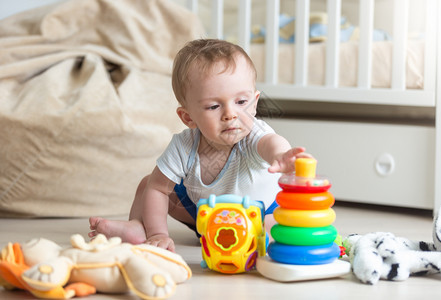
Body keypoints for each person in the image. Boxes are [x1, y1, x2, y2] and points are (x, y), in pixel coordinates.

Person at [89, 39, 312, 252]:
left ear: (254, 103)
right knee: (149, 184)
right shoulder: (184, 145)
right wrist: (159, 233)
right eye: (214, 106)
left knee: (279, 231)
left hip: (261, 213)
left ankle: (258, 236)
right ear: (188, 118)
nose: (230, 114)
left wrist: (282, 156)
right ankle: (140, 228)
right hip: (206, 216)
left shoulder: (253, 134)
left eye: (241, 102)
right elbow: (158, 188)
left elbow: (270, 143)